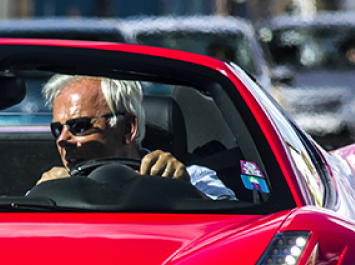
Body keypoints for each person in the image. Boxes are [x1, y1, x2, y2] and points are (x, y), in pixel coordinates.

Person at [35, 75, 234, 199]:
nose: (62, 140)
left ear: (127, 128)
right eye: (56, 129)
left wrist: (184, 188)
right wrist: (42, 196)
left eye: (78, 126)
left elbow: (235, 231)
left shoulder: (193, 177)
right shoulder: (50, 187)